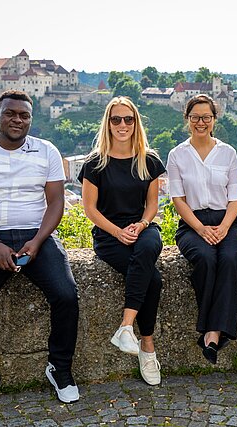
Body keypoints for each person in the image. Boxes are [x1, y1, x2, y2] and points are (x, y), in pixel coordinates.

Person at [0, 90, 79, 413]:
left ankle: (60, 369)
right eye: (10, 113)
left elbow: (56, 203)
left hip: (36, 235)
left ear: (30, 120)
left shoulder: (47, 151)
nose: (17, 120)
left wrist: (38, 241)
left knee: (66, 294)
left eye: (24, 115)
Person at [79, 96, 165, 386]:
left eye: (128, 119)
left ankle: (126, 327)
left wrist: (140, 225)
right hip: (109, 235)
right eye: (116, 119)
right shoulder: (95, 163)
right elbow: (89, 209)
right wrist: (118, 232)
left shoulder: (149, 160)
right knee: (152, 280)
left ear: (136, 122)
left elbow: (152, 205)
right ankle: (147, 346)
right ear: (108, 123)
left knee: (151, 243)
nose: (122, 125)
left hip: (141, 227)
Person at [167, 95, 237, 364]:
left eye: (206, 117)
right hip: (192, 223)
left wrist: (224, 228)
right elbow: (178, 199)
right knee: (204, 258)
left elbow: (235, 197)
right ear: (187, 120)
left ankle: (211, 333)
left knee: (229, 258)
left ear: (214, 120)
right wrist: (201, 229)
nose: (201, 122)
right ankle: (212, 330)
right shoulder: (177, 154)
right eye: (195, 117)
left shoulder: (228, 153)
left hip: (228, 220)